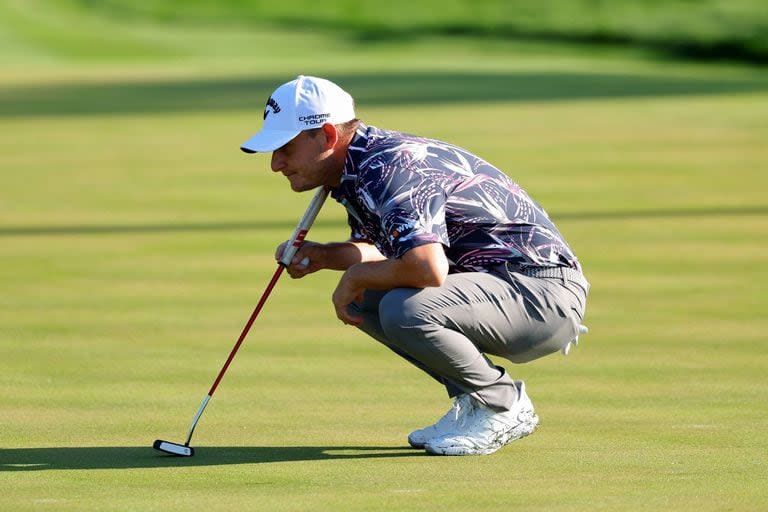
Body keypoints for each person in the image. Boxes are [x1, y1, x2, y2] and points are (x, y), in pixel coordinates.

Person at [240, 75, 589, 456]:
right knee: (369, 297)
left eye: (284, 148)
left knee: (405, 308)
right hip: (502, 291)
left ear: (325, 137)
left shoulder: (390, 167)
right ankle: (473, 401)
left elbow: (426, 269)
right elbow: (387, 251)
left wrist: (355, 275)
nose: (275, 164)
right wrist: (326, 256)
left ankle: (503, 404)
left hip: (541, 295)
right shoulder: (358, 166)